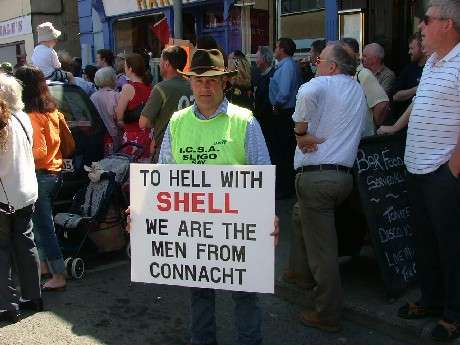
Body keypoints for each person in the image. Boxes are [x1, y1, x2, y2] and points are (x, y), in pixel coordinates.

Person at [158, 48, 276, 345]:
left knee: (245, 295)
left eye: (212, 80)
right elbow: (164, 178)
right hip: (195, 230)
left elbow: (261, 173)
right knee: (199, 296)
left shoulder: (245, 121)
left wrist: (269, 215)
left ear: (225, 82)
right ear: (191, 83)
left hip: (239, 230)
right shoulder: (177, 122)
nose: (205, 86)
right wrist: (146, 214)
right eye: (199, 80)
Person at [292, 41, 366, 333]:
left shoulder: (321, 84)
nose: (315, 63)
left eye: (319, 60)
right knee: (300, 216)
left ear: (332, 67)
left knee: (323, 250)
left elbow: (306, 91)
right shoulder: (357, 89)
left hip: (318, 176)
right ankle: (297, 273)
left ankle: (327, 312)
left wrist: (300, 133)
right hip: (343, 176)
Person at [397, 0, 460, 341]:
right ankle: (431, 299)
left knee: (450, 245)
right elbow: (420, 105)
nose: (421, 27)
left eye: (427, 20)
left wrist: (452, 169)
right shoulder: (434, 62)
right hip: (416, 168)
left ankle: (454, 313)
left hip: (442, 173)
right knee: (424, 241)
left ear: (447, 24)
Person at [15, 65, 68, 291]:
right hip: (55, 172)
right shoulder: (53, 111)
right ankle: (46, 268)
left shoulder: (31, 116)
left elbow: (39, 152)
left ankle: (58, 274)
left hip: (40, 174)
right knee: (40, 225)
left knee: (44, 227)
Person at [0, 73, 42, 324]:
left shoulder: (4, 124)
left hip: (5, 197)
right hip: (26, 191)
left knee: (2, 251)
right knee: (26, 244)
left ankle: (7, 305)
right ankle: (33, 296)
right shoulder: (23, 118)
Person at [139, 46, 192, 163]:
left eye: (161, 61)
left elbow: (143, 122)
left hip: (166, 148)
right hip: (191, 147)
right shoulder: (193, 86)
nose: (159, 64)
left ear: (166, 64)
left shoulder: (161, 88)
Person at [269, 37, 303, 198]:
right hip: (286, 111)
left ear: (282, 49)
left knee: (282, 152)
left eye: (276, 47)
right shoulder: (287, 65)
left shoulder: (288, 66)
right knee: (285, 150)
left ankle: (284, 189)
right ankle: (286, 186)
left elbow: (284, 92)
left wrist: (276, 105)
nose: (274, 50)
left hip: (284, 112)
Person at [341, 37, 389, 136]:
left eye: (345, 53)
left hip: (363, 138)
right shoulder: (342, 76)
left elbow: (382, 104)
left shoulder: (363, 74)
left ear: (356, 55)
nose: (342, 57)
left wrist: (372, 125)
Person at [115, 53, 152, 160]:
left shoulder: (128, 87)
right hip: (149, 135)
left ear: (130, 69)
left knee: (131, 171)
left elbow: (119, 115)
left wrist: (121, 122)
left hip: (133, 135)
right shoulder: (150, 87)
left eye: (125, 66)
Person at [391, 32, 427, 119]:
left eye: (411, 48)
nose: (409, 52)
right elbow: (395, 96)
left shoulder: (433, 68)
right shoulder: (409, 69)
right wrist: (416, 89)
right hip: (406, 123)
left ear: (422, 48)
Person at [91, 67, 121, 155]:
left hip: (98, 135)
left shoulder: (93, 97)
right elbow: (119, 117)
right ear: (112, 78)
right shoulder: (116, 96)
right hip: (115, 135)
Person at [253, 46, 275, 158]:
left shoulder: (273, 75)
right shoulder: (257, 74)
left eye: (257, 57)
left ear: (264, 59)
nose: (255, 60)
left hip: (269, 122)